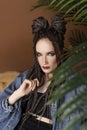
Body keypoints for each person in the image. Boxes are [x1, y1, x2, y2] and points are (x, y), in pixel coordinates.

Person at [0, 14, 85, 130]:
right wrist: (17, 94)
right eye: (39, 54)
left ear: (59, 53)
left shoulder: (74, 84)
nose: (44, 61)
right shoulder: (27, 76)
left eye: (50, 54)